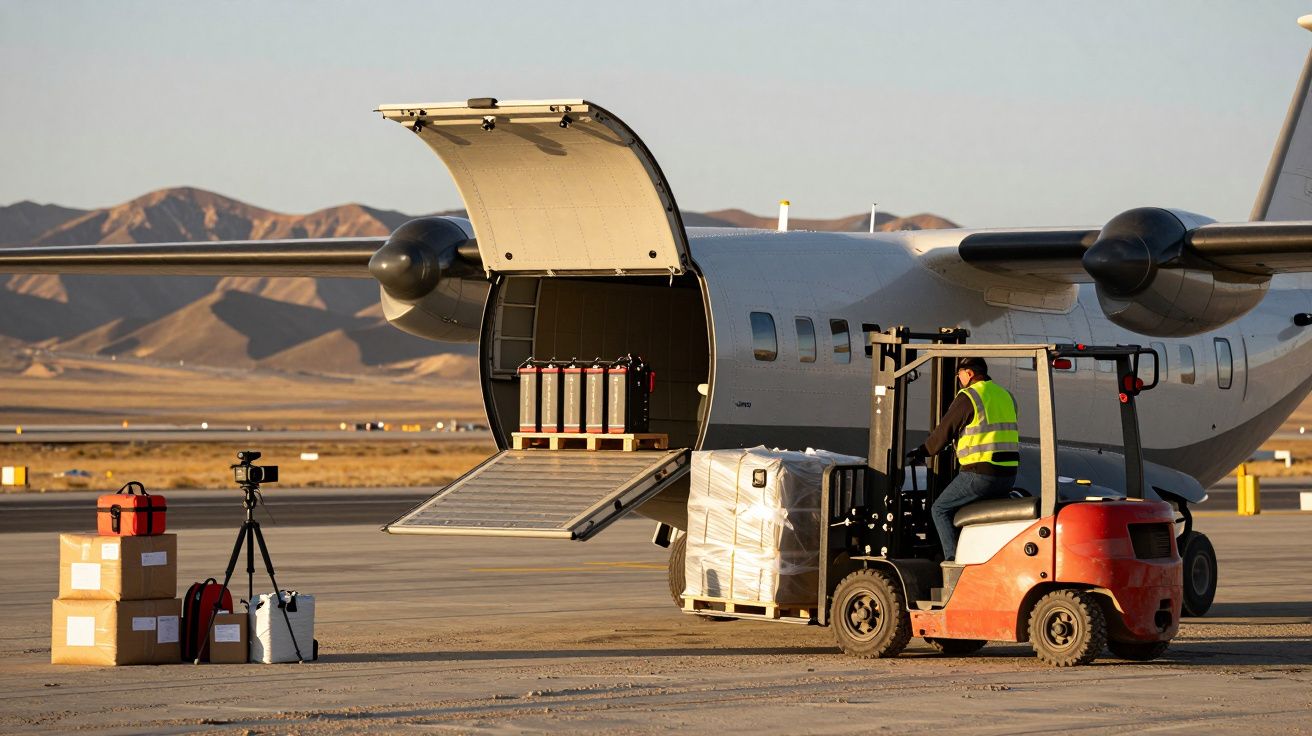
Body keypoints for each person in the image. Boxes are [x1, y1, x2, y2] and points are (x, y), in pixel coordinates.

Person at [906, 356, 1019, 561]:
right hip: (1007, 475)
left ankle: (953, 562)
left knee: (939, 509)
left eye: (959, 374)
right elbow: (988, 429)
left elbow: (944, 431)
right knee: (972, 514)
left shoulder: (969, 396)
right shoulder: (1006, 395)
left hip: (979, 474)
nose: (958, 379)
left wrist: (924, 451)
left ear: (969, 373)